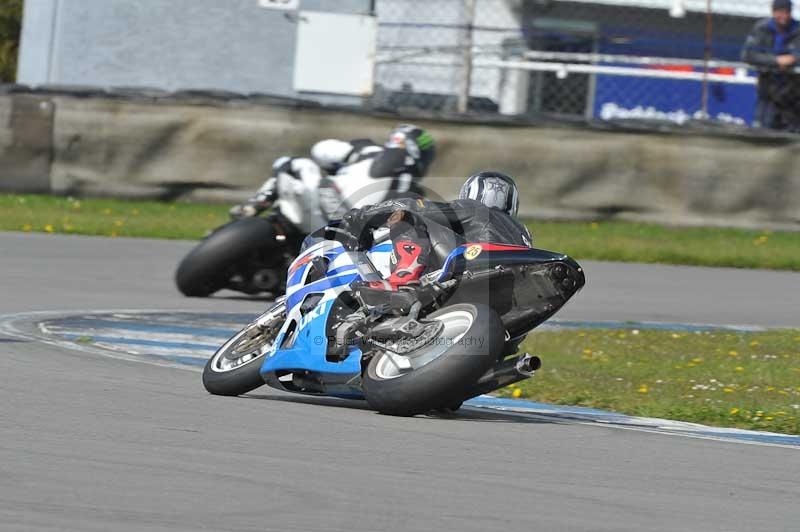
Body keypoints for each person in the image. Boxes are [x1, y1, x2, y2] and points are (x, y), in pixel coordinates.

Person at [339, 171, 532, 291]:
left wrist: (361, 216)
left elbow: (412, 206)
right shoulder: (524, 232)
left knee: (406, 217)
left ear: (471, 193)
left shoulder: (474, 208)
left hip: (474, 268)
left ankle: (403, 277)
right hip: (510, 289)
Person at [229, 124, 436, 220]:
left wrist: (335, 165)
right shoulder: (416, 195)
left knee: (295, 163)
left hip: (322, 201)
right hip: (345, 228)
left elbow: (320, 150)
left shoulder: (367, 150)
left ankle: (258, 202)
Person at [741, 0, 800, 130]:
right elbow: (748, 55)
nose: (783, 16)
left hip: (793, 89)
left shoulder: (797, 29)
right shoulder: (762, 28)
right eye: (780, 12)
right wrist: (776, 61)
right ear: (773, 12)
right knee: (764, 127)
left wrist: (792, 60)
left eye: (786, 12)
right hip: (768, 85)